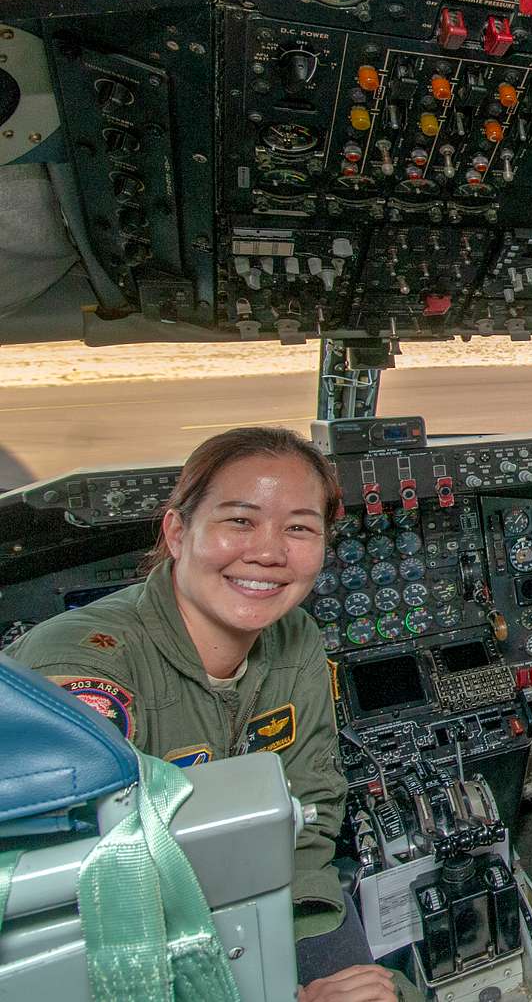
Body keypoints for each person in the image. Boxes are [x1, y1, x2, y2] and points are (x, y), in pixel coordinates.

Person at [6, 427, 403, 1002]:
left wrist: (293, 937)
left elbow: (312, 800)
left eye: (299, 527)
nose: (268, 552)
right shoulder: (80, 671)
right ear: (177, 531)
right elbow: (59, 906)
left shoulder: (296, 638)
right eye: (239, 521)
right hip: (123, 943)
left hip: (282, 896)